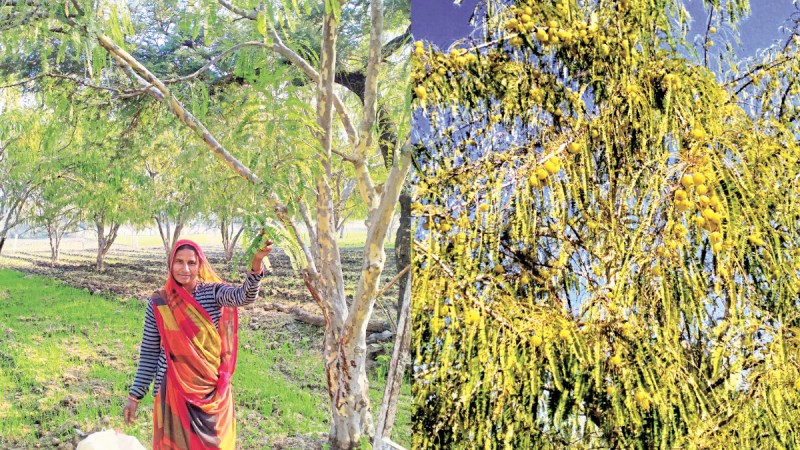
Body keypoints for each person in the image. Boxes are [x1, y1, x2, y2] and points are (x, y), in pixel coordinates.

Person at [123, 238, 272, 449]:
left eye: (191, 263)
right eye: (179, 262)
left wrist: (256, 262)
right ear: (170, 264)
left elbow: (244, 296)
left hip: (210, 390)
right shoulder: (159, 302)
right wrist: (135, 395)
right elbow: (149, 353)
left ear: (199, 265)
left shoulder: (213, 293)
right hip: (174, 389)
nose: (185, 268)